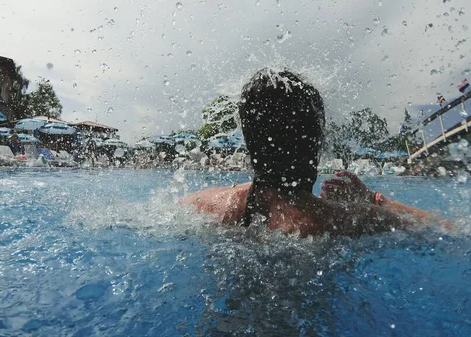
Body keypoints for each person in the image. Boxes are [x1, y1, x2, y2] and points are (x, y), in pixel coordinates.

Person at [180, 68, 450, 237]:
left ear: (251, 142)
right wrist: (374, 199)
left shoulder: (207, 205)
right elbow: (446, 230)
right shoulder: (346, 218)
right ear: (316, 141)